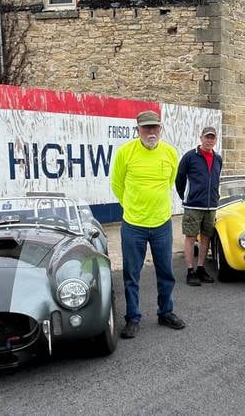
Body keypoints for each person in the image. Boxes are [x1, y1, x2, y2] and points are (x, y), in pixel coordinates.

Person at [110, 110, 185, 339]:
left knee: (166, 272)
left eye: (155, 127)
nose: (151, 132)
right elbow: (117, 184)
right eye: (146, 128)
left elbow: (170, 181)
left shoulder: (170, 153)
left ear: (160, 129)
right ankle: (133, 317)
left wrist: (153, 208)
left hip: (162, 223)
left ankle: (165, 312)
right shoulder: (125, 153)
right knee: (131, 274)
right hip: (133, 225)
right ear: (138, 130)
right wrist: (133, 207)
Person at [175, 126, 222, 286]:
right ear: (201, 138)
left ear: (215, 140)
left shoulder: (218, 159)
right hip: (193, 206)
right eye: (207, 137)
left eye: (212, 138)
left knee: (206, 237)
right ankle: (190, 271)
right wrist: (187, 197)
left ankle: (201, 268)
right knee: (190, 237)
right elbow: (179, 180)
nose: (209, 140)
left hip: (211, 207)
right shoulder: (190, 157)